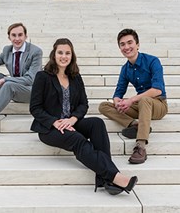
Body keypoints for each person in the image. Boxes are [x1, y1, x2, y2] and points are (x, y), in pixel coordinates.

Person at [30, 38, 137, 195]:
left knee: (97, 123)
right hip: (50, 128)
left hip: (70, 122)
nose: (64, 56)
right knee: (77, 139)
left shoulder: (75, 77)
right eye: (60, 52)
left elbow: (83, 104)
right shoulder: (43, 76)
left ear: (72, 55)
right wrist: (54, 122)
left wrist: (72, 119)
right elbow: (35, 108)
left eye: (68, 53)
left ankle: (105, 178)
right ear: (54, 54)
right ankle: (115, 177)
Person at [99, 28, 168, 164]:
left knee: (144, 100)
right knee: (104, 106)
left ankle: (140, 146)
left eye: (130, 43)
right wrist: (118, 102)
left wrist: (131, 100)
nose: (126, 47)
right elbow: (118, 93)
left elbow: (157, 90)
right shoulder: (125, 69)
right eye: (122, 44)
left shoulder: (152, 61)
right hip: (141, 105)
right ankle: (135, 125)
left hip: (158, 105)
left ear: (137, 44)